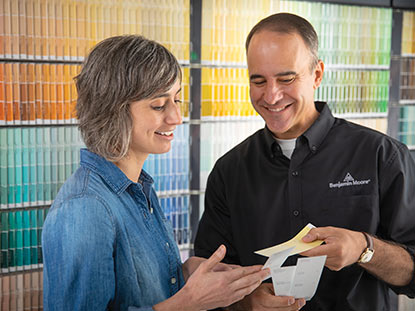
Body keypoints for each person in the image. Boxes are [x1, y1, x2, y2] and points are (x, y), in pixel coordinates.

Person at [194, 12, 415, 311]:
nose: (271, 95)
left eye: (286, 79)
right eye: (258, 81)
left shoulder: (382, 156)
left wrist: (365, 248)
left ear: (317, 75)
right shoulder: (228, 171)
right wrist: (246, 302)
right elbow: (208, 279)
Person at [41, 35, 270, 311]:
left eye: (176, 100)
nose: (176, 117)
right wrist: (189, 303)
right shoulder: (85, 209)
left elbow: (135, 291)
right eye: (159, 105)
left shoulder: (138, 187)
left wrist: (184, 274)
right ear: (113, 110)